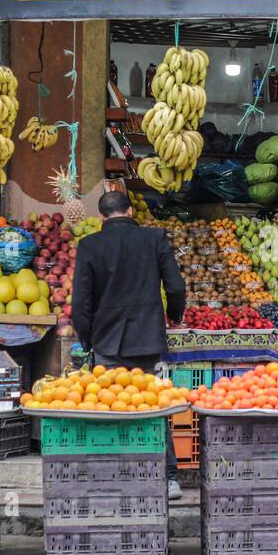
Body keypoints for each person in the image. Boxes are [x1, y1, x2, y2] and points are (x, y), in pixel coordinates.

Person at [73, 191, 187, 499]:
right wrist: (174, 316)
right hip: (147, 337)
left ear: (101, 217)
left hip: (106, 340)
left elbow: (80, 302)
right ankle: (168, 478)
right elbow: (175, 286)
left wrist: (86, 339)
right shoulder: (153, 238)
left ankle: (113, 475)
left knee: (109, 406)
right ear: (130, 211)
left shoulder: (89, 245)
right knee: (152, 405)